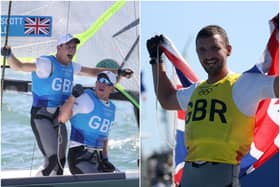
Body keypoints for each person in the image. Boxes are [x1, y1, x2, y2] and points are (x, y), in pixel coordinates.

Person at [146, 26, 279, 187]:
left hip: (223, 177)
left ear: (228, 50)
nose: (208, 55)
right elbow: (166, 99)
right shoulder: (196, 90)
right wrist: (156, 60)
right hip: (189, 177)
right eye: (202, 50)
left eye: (215, 48)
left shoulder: (245, 83)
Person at [1, 33, 133, 176]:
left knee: (60, 163)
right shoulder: (47, 63)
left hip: (59, 117)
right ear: (59, 47)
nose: (71, 50)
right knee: (52, 160)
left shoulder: (72, 67)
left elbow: (92, 71)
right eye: (68, 47)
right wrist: (9, 55)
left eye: (74, 47)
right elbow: (20, 66)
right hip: (42, 116)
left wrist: (118, 72)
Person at [58, 71, 118, 174]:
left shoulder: (112, 108)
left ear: (112, 88)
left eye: (106, 82)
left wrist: (105, 158)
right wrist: (73, 97)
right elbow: (61, 119)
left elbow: (104, 136)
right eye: (99, 80)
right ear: (96, 83)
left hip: (98, 158)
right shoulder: (85, 98)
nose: (101, 84)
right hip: (80, 156)